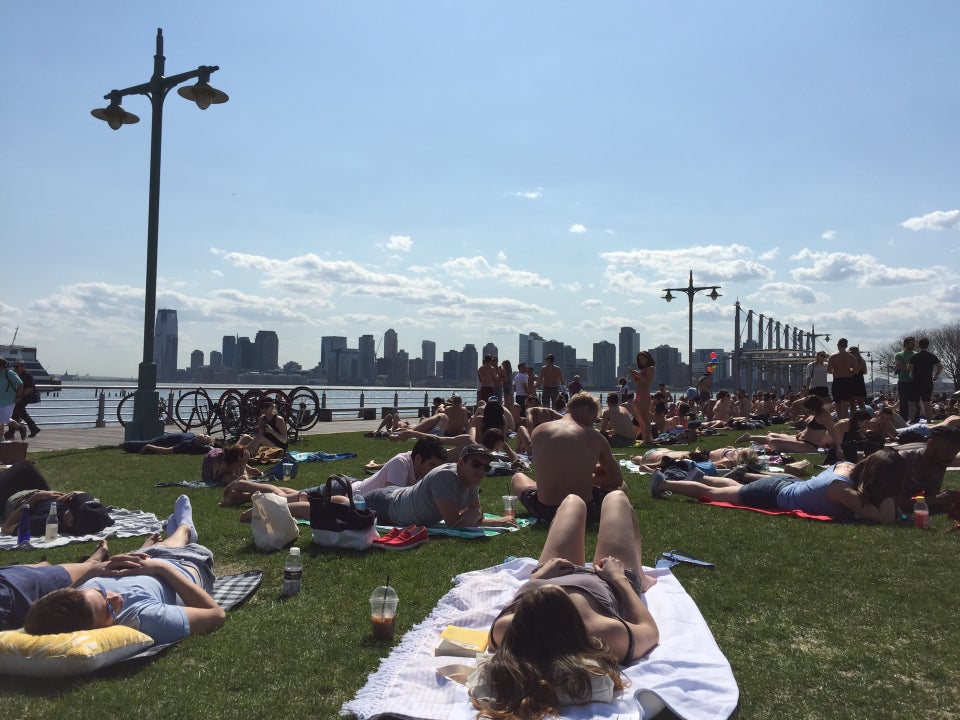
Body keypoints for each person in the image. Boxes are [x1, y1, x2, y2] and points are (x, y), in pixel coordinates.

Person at [476, 491, 659, 718]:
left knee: (572, 501)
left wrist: (537, 580)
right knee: (616, 498)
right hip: (606, 581)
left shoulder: (507, 629)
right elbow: (649, 630)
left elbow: (523, 601)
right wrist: (621, 580)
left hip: (552, 572)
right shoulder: (603, 632)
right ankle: (640, 575)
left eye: (532, 599)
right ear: (571, 621)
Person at [24, 495, 226, 643]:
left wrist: (95, 572)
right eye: (109, 609)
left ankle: (165, 538)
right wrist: (159, 568)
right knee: (173, 542)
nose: (114, 597)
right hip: (183, 565)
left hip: (145, 561)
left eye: (100, 592)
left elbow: (53, 601)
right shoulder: (146, 619)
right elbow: (215, 614)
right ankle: (184, 527)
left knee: (154, 549)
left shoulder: (75, 603)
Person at [649, 448, 906, 524]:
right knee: (715, 494)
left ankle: (698, 476)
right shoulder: (843, 489)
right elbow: (884, 518)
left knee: (730, 485)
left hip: (788, 484)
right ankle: (664, 484)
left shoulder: (847, 466)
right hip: (776, 494)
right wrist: (891, 493)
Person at [221, 436, 449, 511]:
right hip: (345, 490)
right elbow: (394, 496)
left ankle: (242, 493)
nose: (433, 471)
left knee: (295, 494)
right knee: (289, 499)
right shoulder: (402, 463)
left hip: (351, 490)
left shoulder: (420, 468)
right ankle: (248, 487)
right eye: (431, 465)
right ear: (418, 458)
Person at [512, 393, 626, 523]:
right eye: (593, 420)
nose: (593, 425)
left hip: (545, 509)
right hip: (584, 510)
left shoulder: (539, 431)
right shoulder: (595, 437)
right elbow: (616, 479)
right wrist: (591, 476)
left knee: (518, 477)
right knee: (622, 486)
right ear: (585, 411)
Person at [364, 444, 516, 528]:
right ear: (461, 463)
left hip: (396, 497)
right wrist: (494, 520)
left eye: (486, 467)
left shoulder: (472, 481)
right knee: (345, 509)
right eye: (476, 464)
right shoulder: (445, 477)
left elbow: (473, 513)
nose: (481, 471)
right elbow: (454, 523)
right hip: (384, 504)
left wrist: (476, 513)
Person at [0, 540, 111, 629]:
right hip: (18, 584)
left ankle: (90, 563)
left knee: (42, 570)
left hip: (12, 579)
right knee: (86, 568)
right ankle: (91, 563)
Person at [0, 460, 114, 537]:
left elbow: (7, 527)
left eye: (74, 506)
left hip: (13, 500)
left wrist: (35, 498)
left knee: (24, 466)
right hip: (39, 493)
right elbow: (83, 497)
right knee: (26, 466)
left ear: (70, 521)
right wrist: (78, 493)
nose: (73, 500)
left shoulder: (46, 522)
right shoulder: (97, 518)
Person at [739, 395, 844, 458]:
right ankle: (750, 437)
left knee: (774, 442)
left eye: (808, 408)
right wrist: (801, 433)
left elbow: (832, 431)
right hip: (800, 440)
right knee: (772, 434)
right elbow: (810, 429)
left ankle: (757, 438)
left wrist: (839, 448)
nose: (807, 410)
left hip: (809, 446)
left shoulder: (824, 415)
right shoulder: (815, 413)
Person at [909, 338, 942, 423]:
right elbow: (940, 367)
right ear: (928, 345)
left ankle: (913, 420)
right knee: (927, 402)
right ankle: (929, 422)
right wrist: (935, 376)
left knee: (914, 402)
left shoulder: (914, 356)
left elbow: (909, 368)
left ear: (919, 345)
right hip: (928, 381)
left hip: (916, 382)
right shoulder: (932, 356)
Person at [629, 351, 656, 445]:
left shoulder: (650, 368)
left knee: (645, 419)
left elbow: (647, 382)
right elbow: (638, 383)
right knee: (640, 419)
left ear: (648, 358)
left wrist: (638, 375)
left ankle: (648, 440)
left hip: (644, 395)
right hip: (639, 396)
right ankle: (646, 438)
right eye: (640, 359)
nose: (641, 360)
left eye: (643, 358)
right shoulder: (642, 370)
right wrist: (633, 375)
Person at [827, 338, 857, 419]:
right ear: (846, 346)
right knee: (845, 402)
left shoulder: (832, 357)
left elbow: (829, 371)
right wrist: (848, 371)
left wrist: (837, 370)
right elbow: (856, 371)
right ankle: (844, 420)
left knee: (837, 402)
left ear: (837, 345)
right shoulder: (851, 357)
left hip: (837, 380)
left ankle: (840, 420)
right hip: (847, 380)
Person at [11, 361, 40, 438]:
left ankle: (11, 432)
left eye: (17, 366)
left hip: (25, 397)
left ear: (23, 367)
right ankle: (34, 429)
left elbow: (29, 388)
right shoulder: (16, 374)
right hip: (19, 397)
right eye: (15, 366)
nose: (15, 368)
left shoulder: (27, 375)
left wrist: (20, 397)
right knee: (19, 413)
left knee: (16, 411)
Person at [121, 431, 215, 455]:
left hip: (163, 441)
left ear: (200, 442)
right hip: (167, 438)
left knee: (134, 445)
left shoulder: (187, 445)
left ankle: (125, 445)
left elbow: (166, 450)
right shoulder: (192, 437)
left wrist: (149, 446)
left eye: (205, 436)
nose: (204, 434)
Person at [894, 336, 918, 425]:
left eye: (914, 343)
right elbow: (900, 366)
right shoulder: (899, 355)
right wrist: (911, 366)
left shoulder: (916, 354)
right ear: (905, 344)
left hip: (914, 381)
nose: (913, 344)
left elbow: (905, 367)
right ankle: (903, 421)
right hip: (903, 381)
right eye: (911, 343)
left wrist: (906, 365)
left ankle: (915, 420)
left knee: (915, 402)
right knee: (903, 402)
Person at [1, 357, 24, 441]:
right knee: (2, 420)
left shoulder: (9, 373)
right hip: (0, 400)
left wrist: (18, 397)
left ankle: (20, 428)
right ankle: (1, 438)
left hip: (8, 401)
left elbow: (20, 384)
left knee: (4, 419)